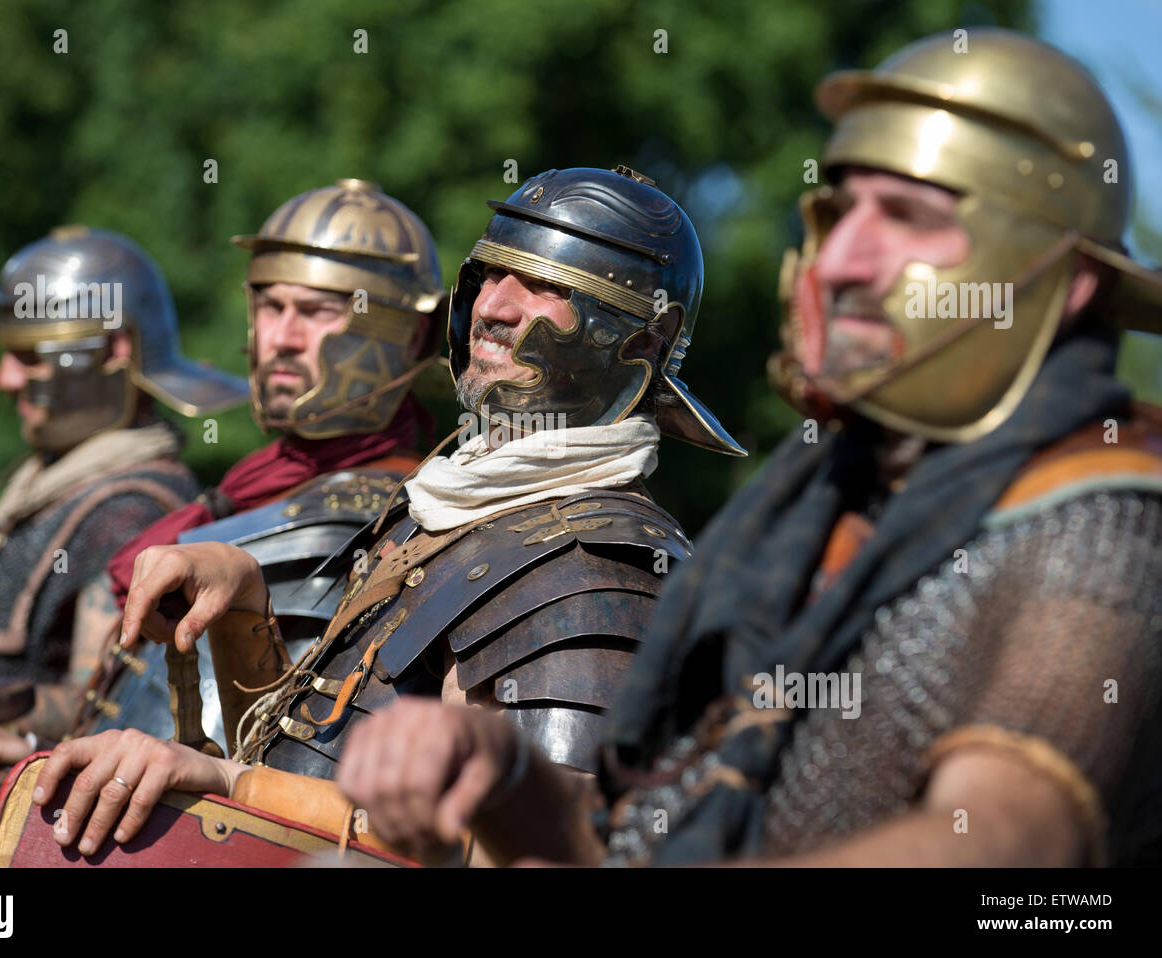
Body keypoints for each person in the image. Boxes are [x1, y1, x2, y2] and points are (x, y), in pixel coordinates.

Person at [328, 29, 1162, 867]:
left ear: (1065, 276)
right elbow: (638, 844)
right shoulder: (811, 508)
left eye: (910, 218)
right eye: (837, 215)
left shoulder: (1099, 520)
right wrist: (508, 780)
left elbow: (1009, 842)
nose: (842, 259)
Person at [29, 166, 745, 862]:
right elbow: (302, 749)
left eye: (543, 288)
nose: (493, 309)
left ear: (644, 340)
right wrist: (246, 601)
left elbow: (534, 850)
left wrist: (230, 783)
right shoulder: (449, 502)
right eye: (490, 276)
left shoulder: (595, 566)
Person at [0, 226, 247, 818]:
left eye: (29, 357)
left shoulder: (132, 512)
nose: (6, 380)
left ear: (114, 351)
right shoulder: (44, 486)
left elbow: (100, 712)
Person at [72, 179, 444, 750]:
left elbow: (296, 757)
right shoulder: (251, 486)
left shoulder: (411, 519)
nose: (283, 338)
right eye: (271, 306)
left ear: (410, 331)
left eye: (318, 311)